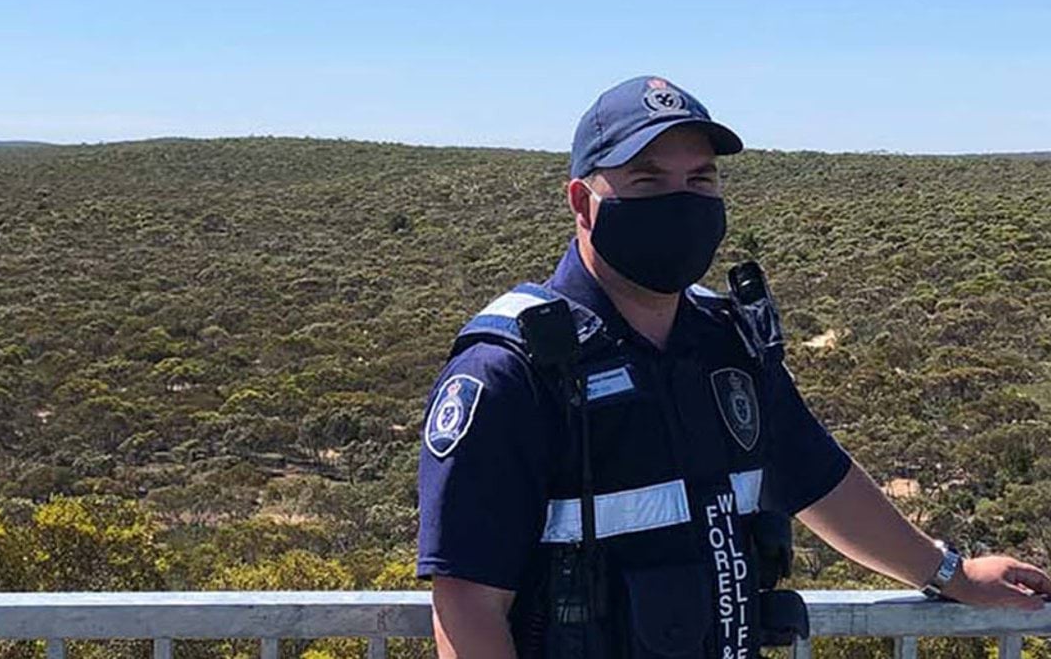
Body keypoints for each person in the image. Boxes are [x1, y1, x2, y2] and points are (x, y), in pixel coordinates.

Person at [415, 75, 1051, 659]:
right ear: (583, 203)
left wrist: (950, 573)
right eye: (647, 181)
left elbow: (819, 479)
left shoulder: (730, 344)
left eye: (700, 180)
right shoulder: (513, 370)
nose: (681, 201)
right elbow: (468, 606)